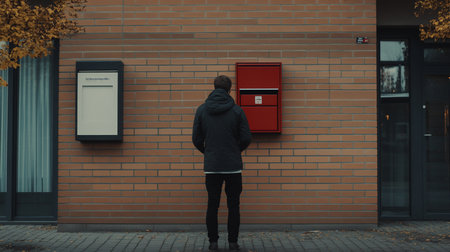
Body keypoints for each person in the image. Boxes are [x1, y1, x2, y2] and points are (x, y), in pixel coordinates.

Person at [192, 75, 251, 251]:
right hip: (233, 166)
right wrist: (235, 150)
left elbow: (196, 139)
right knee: (233, 205)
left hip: (212, 167)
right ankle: (233, 242)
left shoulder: (202, 110)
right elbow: (246, 137)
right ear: (229, 90)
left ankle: (213, 242)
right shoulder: (237, 111)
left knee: (212, 204)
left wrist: (208, 152)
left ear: (214, 87)